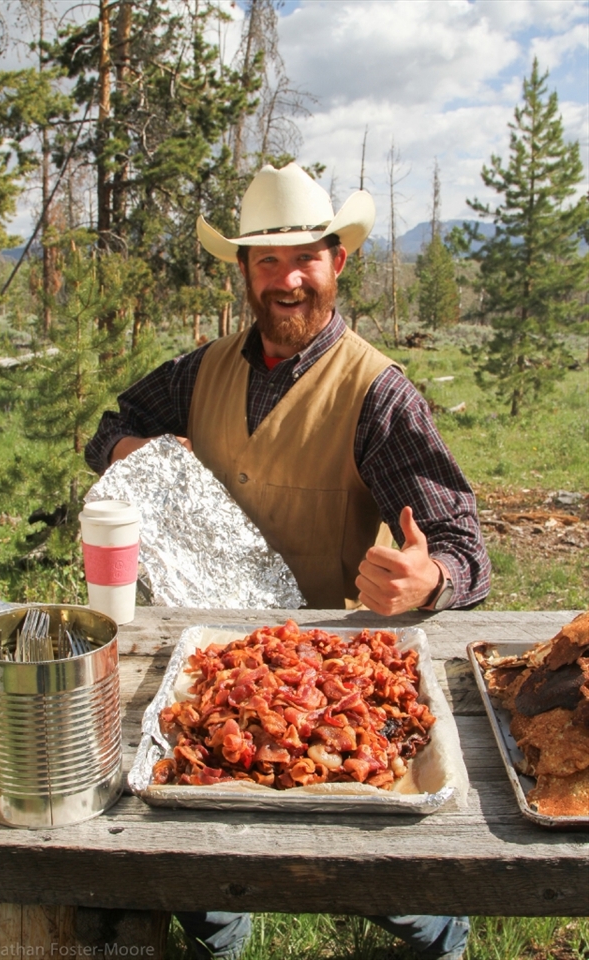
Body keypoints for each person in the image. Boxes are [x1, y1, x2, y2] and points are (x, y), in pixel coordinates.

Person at [86, 162, 490, 960]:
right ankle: (218, 938)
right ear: (243, 271)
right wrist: (135, 452)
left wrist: (430, 576)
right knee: (198, 878)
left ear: (338, 262)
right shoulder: (199, 370)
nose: (287, 278)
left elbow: (464, 546)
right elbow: (106, 430)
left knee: (383, 884)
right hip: (206, 674)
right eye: (266, 260)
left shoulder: (377, 392)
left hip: (329, 686)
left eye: (306, 256)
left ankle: (440, 933)